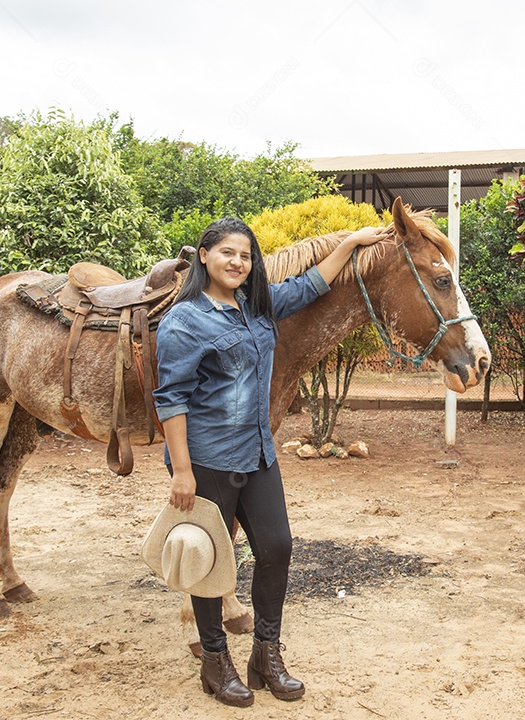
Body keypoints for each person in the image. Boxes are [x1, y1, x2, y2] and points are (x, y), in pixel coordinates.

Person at [153, 217, 386, 707]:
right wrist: (182, 471)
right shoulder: (184, 320)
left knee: (277, 549)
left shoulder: (258, 306)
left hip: (258, 454)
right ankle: (215, 662)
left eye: (245, 254)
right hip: (209, 460)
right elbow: (170, 399)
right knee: (209, 561)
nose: (237, 262)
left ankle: (266, 653)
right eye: (227, 253)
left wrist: (351, 242)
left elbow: (311, 284)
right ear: (203, 256)